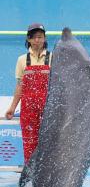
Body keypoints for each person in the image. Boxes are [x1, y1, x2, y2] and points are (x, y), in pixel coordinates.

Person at [5, 23, 52, 164]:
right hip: (28, 108)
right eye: (34, 37)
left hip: (48, 107)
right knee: (29, 142)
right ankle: (30, 173)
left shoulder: (52, 57)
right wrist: (13, 108)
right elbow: (20, 86)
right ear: (29, 39)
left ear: (44, 38)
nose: (37, 40)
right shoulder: (21, 60)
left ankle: (46, 172)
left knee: (48, 141)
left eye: (40, 37)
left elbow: (57, 86)